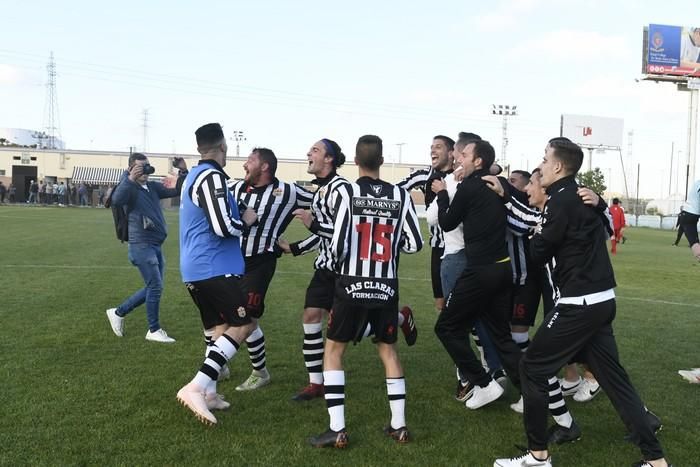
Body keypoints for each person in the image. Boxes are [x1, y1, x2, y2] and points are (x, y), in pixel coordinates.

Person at [495, 137, 670, 467]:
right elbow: (599, 232)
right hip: (601, 301)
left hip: (580, 304)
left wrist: (536, 236)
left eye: (545, 160)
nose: (542, 165)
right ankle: (657, 462)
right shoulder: (577, 196)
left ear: (558, 166)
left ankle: (537, 457)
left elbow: (538, 253)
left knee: (531, 367)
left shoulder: (561, 201)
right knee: (614, 381)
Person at [309, 135, 423, 448]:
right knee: (388, 351)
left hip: (350, 283)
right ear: (382, 161)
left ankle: (337, 429)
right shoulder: (400, 195)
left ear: (355, 162)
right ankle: (398, 425)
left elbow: (339, 243)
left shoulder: (347, 192)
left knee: (334, 352)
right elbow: (415, 244)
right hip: (386, 285)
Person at [175, 122, 258, 425]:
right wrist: (247, 220)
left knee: (219, 328)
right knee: (245, 324)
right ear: (223, 147)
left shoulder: (193, 177)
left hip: (197, 267)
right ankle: (196, 386)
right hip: (214, 267)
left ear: (199, 149)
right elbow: (223, 227)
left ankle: (209, 393)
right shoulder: (212, 177)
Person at [432, 139, 524, 410]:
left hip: (480, 271)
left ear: (478, 161)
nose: (459, 158)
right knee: (501, 337)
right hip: (503, 269)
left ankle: (483, 384)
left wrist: (442, 193)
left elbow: (447, 222)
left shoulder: (468, 186)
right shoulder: (499, 183)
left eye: (465, 155)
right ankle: (531, 395)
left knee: (446, 328)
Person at [425, 132, 505, 401]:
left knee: (454, 324)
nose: (457, 157)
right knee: (483, 322)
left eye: (459, 152)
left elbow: (437, 219)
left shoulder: (454, 181)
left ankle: (473, 379)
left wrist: (443, 194)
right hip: (484, 260)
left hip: (459, 257)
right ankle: (493, 372)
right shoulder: (478, 178)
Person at [227, 147, 314, 391]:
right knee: (227, 313)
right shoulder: (235, 188)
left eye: (250, 160)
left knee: (248, 317)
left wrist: (309, 229)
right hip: (231, 260)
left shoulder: (287, 191)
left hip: (261, 262)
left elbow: (324, 201)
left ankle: (259, 372)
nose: (245, 164)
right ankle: (225, 364)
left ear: (264, 167)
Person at [104, 152, 187, 343]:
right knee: (155, 286)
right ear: (130, 168)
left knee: (154, 287)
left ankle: (118, 312)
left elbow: (177, 190)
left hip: (155, 244)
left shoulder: (151, 187)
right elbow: (117, 200)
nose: (145, 170)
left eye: (147, 166)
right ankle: (153, 329)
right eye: (141, 167)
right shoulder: (130, 188)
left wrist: (182, 170)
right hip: (141, 245)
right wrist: (130, 179)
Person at [398, 135, 455, 314]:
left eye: (438, 147)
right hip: (438, 246)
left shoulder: (462, 174)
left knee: (461, 302)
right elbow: (396, 190)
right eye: (431, 147)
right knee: (440, 303)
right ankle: (449, 337)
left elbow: (489, 168)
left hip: (460, 248)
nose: (433, 150)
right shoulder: (425, 175)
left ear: (452, 153)